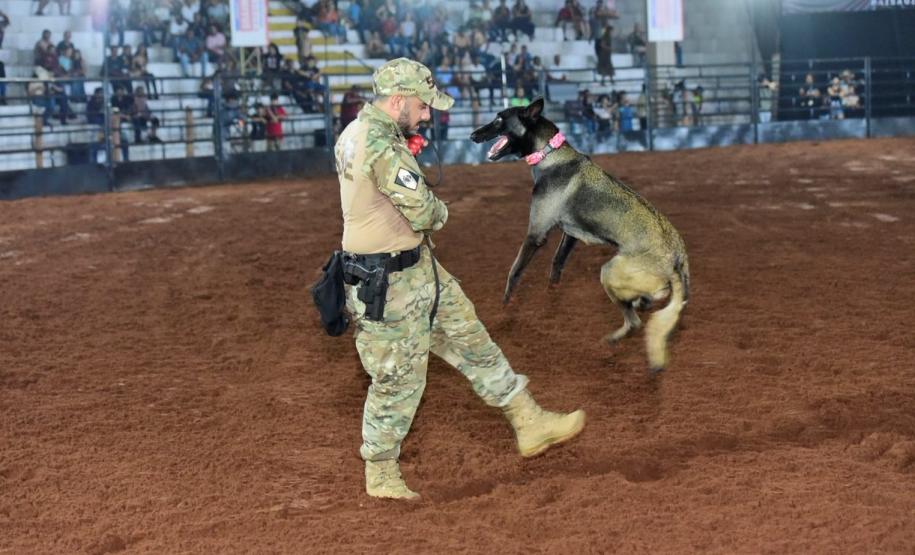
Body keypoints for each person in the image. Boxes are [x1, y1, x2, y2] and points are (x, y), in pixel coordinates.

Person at [332, 58, 586, 501]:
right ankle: (381, 472)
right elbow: (425, 211)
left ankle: (529, 420)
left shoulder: (356, 133)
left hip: (414, 269)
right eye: (423, 105)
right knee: (398, 380)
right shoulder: (380, 146)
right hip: (390, 284)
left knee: (473, 340)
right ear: (398, 101)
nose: (428, 113)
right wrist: (440, 208)